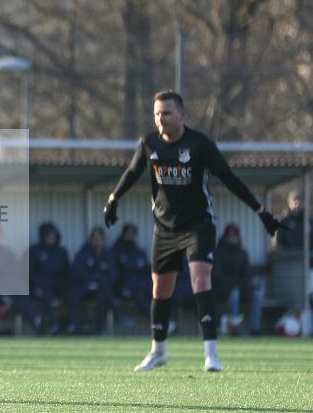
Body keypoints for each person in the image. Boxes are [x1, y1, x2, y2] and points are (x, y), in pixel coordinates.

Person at [104, 90, 285, 372]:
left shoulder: (200, 145)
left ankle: (211, 354)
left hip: (198, 225)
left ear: (181, 115)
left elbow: (229, 179)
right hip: (164, 229)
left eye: (166, 113)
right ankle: (158, 351)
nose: (160, 119)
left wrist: (260, 211)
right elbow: (131, 172)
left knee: (200, 278)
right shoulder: (149, 143)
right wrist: (113, 199)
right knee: (160, 289)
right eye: (156, 114)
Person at [212, 224, 263, 336]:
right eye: (229, 236)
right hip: (223, 289)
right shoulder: (218, 252)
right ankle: (233, 328)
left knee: (257, 294)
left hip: (240, 287)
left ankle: (255, 329)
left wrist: (244, 284)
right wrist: (234, 284)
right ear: (225, 237)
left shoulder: (242, 253)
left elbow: (246, 275)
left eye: (234, 236)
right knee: (234, 294)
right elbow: (217, 275)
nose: (232, 238)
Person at [68, 227, 116, 334]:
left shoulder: (108, 254)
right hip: (84, 287)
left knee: (104, 295)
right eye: (95, 239)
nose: (97, 241)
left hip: (100, 288)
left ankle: (98, 328)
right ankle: (73, 326)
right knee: (72, 295)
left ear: (103, 240)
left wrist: (98, 281)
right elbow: (77, 272)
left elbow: (112, 275)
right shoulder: (83, 253)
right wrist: (91, 281)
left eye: (100, 239)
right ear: (91, 239)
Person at [28, 222, 70, 334]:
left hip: (58, 286)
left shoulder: (61, 251)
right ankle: (52, 324)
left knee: (72, 293)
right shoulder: (34, 251)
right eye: (49, 236)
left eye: (53, 236)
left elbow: (67, 272)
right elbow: (30, 273)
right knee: (45, 294)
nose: (51, 238)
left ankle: (71, 325)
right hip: (40, 287)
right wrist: (36, 285)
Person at [110, 223, 150, 324]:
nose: (130, 236)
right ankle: (156, 321)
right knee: (139, 293)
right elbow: (115, 273)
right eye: (128, 233)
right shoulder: (115, 251)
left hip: (142, 286)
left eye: (133, 234)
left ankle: (163, 320)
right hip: (124, 288)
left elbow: (146, 270)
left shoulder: (140, 252)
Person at [276, 189, 313, 255]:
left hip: (308, 260)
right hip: (290, 260)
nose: (297, 205)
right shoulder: (283, 222)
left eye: (301, 202)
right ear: (289, 203)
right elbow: (279, 245)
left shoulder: (310, 221)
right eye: (295, 202)